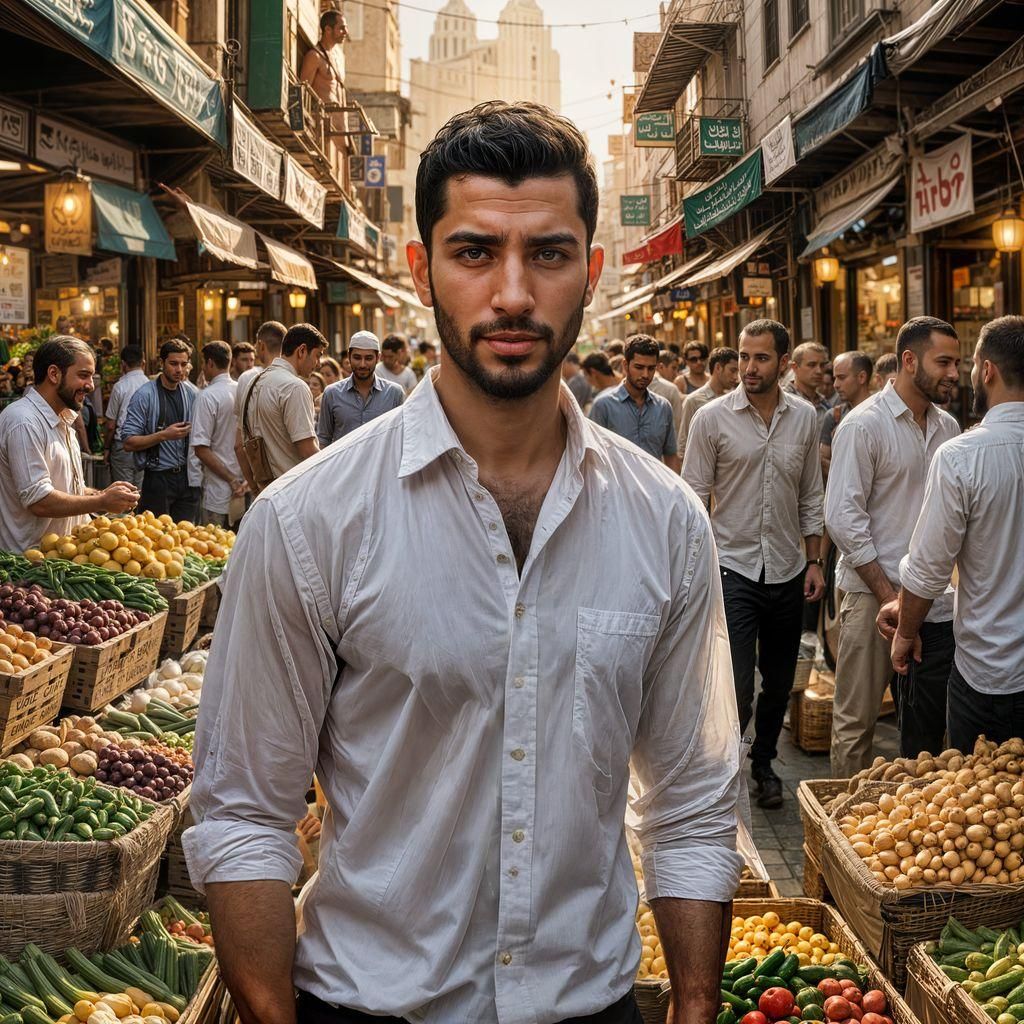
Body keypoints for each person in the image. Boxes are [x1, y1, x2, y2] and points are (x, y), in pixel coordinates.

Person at [186, 99, 744, 1024]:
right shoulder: (306, 522)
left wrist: (693, 1005)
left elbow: (688, 804)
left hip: (588, 1002)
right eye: (476, 251)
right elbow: (245, 811)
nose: (514, 294)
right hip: (364, 1001)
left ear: (592, 272)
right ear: (424, 269)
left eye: (550, 254)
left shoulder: (667, 523)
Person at [683, 319, 825, 808]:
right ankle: (725, 769)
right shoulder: (710, 419)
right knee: (736, 683)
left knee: (781, 682)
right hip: (732, 568)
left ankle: (764, 763)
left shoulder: (805, 418)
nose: (748, 367)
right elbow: (693, 500)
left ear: (783, 364)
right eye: (744, 357)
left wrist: (814, 561)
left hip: (787, 568)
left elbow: (811, 493)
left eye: (761, 358)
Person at [826, 318, 961, 775]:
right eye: (943, 362)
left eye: (958, 363)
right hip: (872, 595)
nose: (954, 373)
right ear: (909, 360)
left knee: (926, 730)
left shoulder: (949, 427)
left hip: (933, 603)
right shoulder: (863, 425)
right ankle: (839, 835)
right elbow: (843, 517)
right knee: (856, 722)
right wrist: (891, 597)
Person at [889, 315, 1024, 750]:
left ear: (987, 371)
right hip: (993, 668)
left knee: (985, 804)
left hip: (990, 673)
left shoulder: (962, 456)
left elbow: (928, 569)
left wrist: (905, 634)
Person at [0, 336, 138, 552]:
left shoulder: (64, 420)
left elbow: (66, 489)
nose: (91, 386)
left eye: (91, 376)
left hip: (61, 560)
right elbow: (40, 500)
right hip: (28, 568)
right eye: (83, 375)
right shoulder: (23, 421)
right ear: (54, 374)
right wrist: (101, 501)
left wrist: (101, 494)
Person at [234, 322, 324, 492]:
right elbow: (307, 451)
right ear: (302, 351)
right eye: (318, 355)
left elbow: (240, 446)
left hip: (265, 493)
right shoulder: (295, 387)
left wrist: (255, 489)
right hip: (293, 492)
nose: (318, 363)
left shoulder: (252, 383)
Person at [121, 338, 201, 521]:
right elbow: (128, 442)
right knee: (156, 538)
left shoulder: (192, 394)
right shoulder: (144, 395)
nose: (179, 369)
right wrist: (164, 435)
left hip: (188, 477)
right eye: (173, 364)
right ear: (161, 363)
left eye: (183, 364)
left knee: (186, 537)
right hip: (158, 478)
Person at [589, 335, 680, 471]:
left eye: (651, 368)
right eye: (639, 367)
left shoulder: (663, 407)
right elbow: (592, 458)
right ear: (625, 365)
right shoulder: (603, 405)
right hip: (616, 490)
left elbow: (671, 455)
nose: (645, 374)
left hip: (655, 490)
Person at [190, 341, 247, 528]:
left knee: (215, 551)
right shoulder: (243, 391)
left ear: (210, 363)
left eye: (203, 364)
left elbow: (200, 449)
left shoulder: (207, 396)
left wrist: (231, 480)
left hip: (219, 491)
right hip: (245, 486)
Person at [316, 331, 404, 447]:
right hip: (344, 465)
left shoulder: (394, 393)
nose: (362, 364)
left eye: (368, 358)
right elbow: (323, 440)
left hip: (381, 465)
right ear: (349, 356)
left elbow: (401, 438)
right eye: (357, 358)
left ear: (378, 358)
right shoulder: (332, 393)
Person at [234, 321, 286, 496]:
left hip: (263, 482)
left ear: (261, 345)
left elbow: (239, 445)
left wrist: (254, 486)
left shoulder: (248, 379)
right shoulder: (294, 381)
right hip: (291, 483)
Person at [677, 347, 739, 462]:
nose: (736, 377)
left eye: (737, 372)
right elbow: (683, 445)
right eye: (732, 370)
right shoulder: (693, 400)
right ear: (718, 368)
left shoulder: (734, 399)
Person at [819, 351, 873, 479]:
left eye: (841, 377)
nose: (835, 385)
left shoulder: (884, 414)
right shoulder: (834, 416)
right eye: (835, 378)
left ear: (861, 377)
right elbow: (822, 461)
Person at [103, 345, 148, 488]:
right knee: (138, 492)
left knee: (123, 493)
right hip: (145, 445)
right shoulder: (151, 386)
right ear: (143, 363)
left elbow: (111, 425)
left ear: (123, 364)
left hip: (122, 446)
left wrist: (107, 449)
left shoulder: (120, 386)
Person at [299, 10, 348, 108]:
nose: (346, 32)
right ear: (328, 29)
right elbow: (302, 93)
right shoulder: (314, 56)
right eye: (342, 28)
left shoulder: (340, 57)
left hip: (341, 122)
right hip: (322, 122)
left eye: (346, 28)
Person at [784, 342, 828, 412]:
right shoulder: (783, 400)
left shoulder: (824, 403)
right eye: (812, 365)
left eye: (822, 365)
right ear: (795, 367)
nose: (819, 371)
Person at [649, 349, 683, 437]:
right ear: (661, 367)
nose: (676, 374)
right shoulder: (671, 389)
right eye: (673, 368)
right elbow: (677, 424)